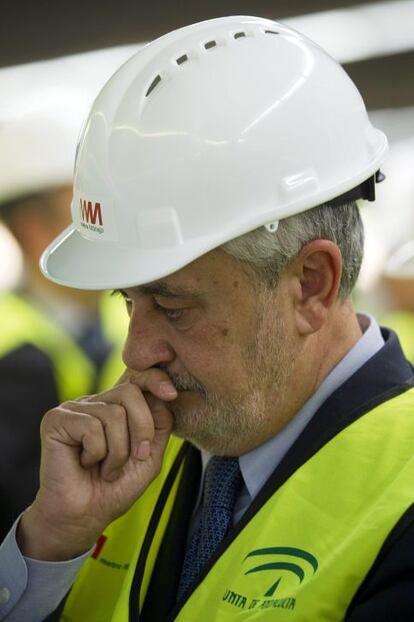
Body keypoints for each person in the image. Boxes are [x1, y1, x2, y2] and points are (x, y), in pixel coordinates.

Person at [1, 15, 413, 622]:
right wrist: (47, 549)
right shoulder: (125, 468)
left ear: (310, 285)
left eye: (173, 307)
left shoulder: (400, 496)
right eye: (127, 302)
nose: (135, 353)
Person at [0, 112, 128, 541]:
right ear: (33, 229)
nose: (109, 220)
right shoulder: (9, 349)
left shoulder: (139, 317)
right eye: (86, 206)